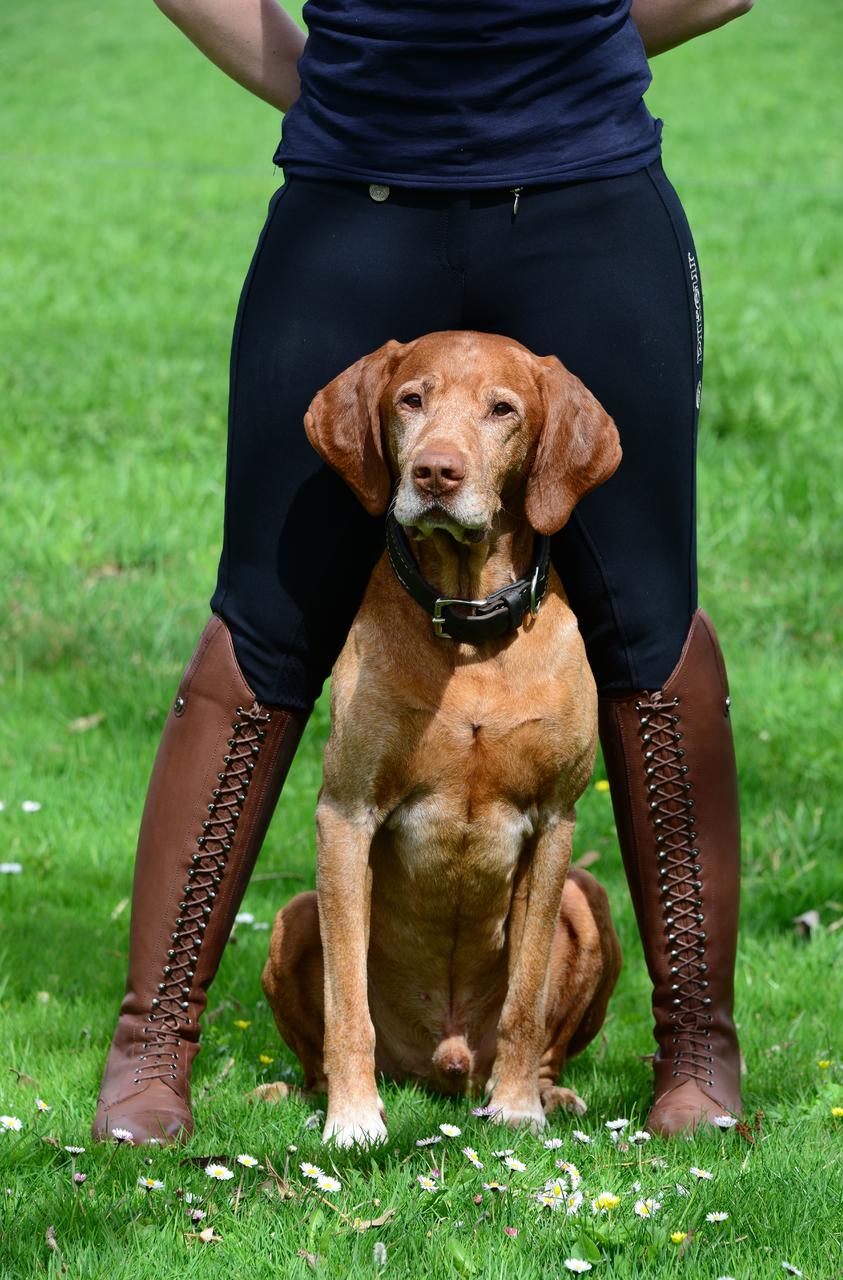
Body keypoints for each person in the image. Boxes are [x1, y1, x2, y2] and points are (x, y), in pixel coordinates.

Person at [92, 0, 755, 1145]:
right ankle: (150, 1049)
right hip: (352, 199)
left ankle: (696, 1050)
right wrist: (346, 80)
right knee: (262, 617)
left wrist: (566, 56)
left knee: (648, 620)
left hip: (587, 199)